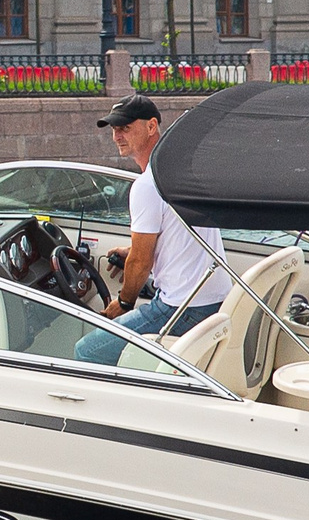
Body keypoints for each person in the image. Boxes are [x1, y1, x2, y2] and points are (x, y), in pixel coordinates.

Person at [74, 94, 232, 365]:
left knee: (87, 350)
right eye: (114, 129)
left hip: (184, 308)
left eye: (125, 128)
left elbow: (141, 261)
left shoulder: (147, 186)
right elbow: (171, 237)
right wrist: (132, 251)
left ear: (151, 126)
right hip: (213, 299)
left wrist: (123, 304)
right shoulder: (180, 170)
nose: (117, 136)